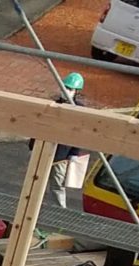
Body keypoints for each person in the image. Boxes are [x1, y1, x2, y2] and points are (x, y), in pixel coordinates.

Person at [49, 73, 88, 208]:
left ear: (76, 91)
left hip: (61, 156)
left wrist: (74, 154)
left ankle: (61, 211)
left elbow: (79, 134)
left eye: (70, 89)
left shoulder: (79, 110)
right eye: (64, 87)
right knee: (35, 181)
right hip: (45, 151)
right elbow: (41, 125)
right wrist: (32, 146)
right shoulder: (54, 104)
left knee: (57, 186)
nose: (65, 91)